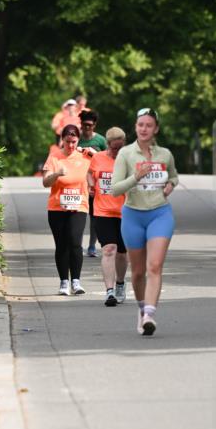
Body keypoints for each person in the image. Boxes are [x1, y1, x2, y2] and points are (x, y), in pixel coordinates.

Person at [110, 107, 179, 335]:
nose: (144, 129)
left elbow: (174, 176)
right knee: (138, 272)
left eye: (149, 125)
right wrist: (135, 177)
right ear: (135, 127)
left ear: (156, 129)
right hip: (133, 215)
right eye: (140, 125)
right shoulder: (126, 154)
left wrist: (171, 184)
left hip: (160, 213)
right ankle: (141, 310)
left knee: (155, 266)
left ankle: (150, 314)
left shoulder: (165, 154)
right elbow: (114, 189)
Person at [42, 124, 90, 296]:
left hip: (79, 206)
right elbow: (45, 182)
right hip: (57, 207)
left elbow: (106, 164)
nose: (71, 146)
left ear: (78, 140)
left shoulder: (85, 155)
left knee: (75, 241)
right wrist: (56, 175)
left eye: (74, 142)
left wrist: (94, 153)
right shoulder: (54, 156)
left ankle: (76, 281)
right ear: (62, 140)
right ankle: (64, 282)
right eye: (68, 142)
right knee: (62, 244)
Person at [87, 127, 127, 306]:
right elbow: (89, 173)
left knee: (121, 253)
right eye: (114, 148)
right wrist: (91, 185)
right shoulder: (98, 158)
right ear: (108, 145)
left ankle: (120, 283)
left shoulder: (128, 160)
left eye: (120, 147)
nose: (117, 151)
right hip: (103, 211)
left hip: (126, 212)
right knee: (108, 249)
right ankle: (109, 292)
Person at [77, 109, 107, 256]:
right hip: (78, 182)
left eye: (89, 125)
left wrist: (95, 154)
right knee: (79, 215)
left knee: (94, 216)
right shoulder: (76, 139)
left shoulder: (100, 141)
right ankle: (77, 245)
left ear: (94, 125)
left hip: (95, 182)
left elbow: (109, 159)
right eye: (84, 125)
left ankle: (92, 246)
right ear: (81, 125)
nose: (86, 127)